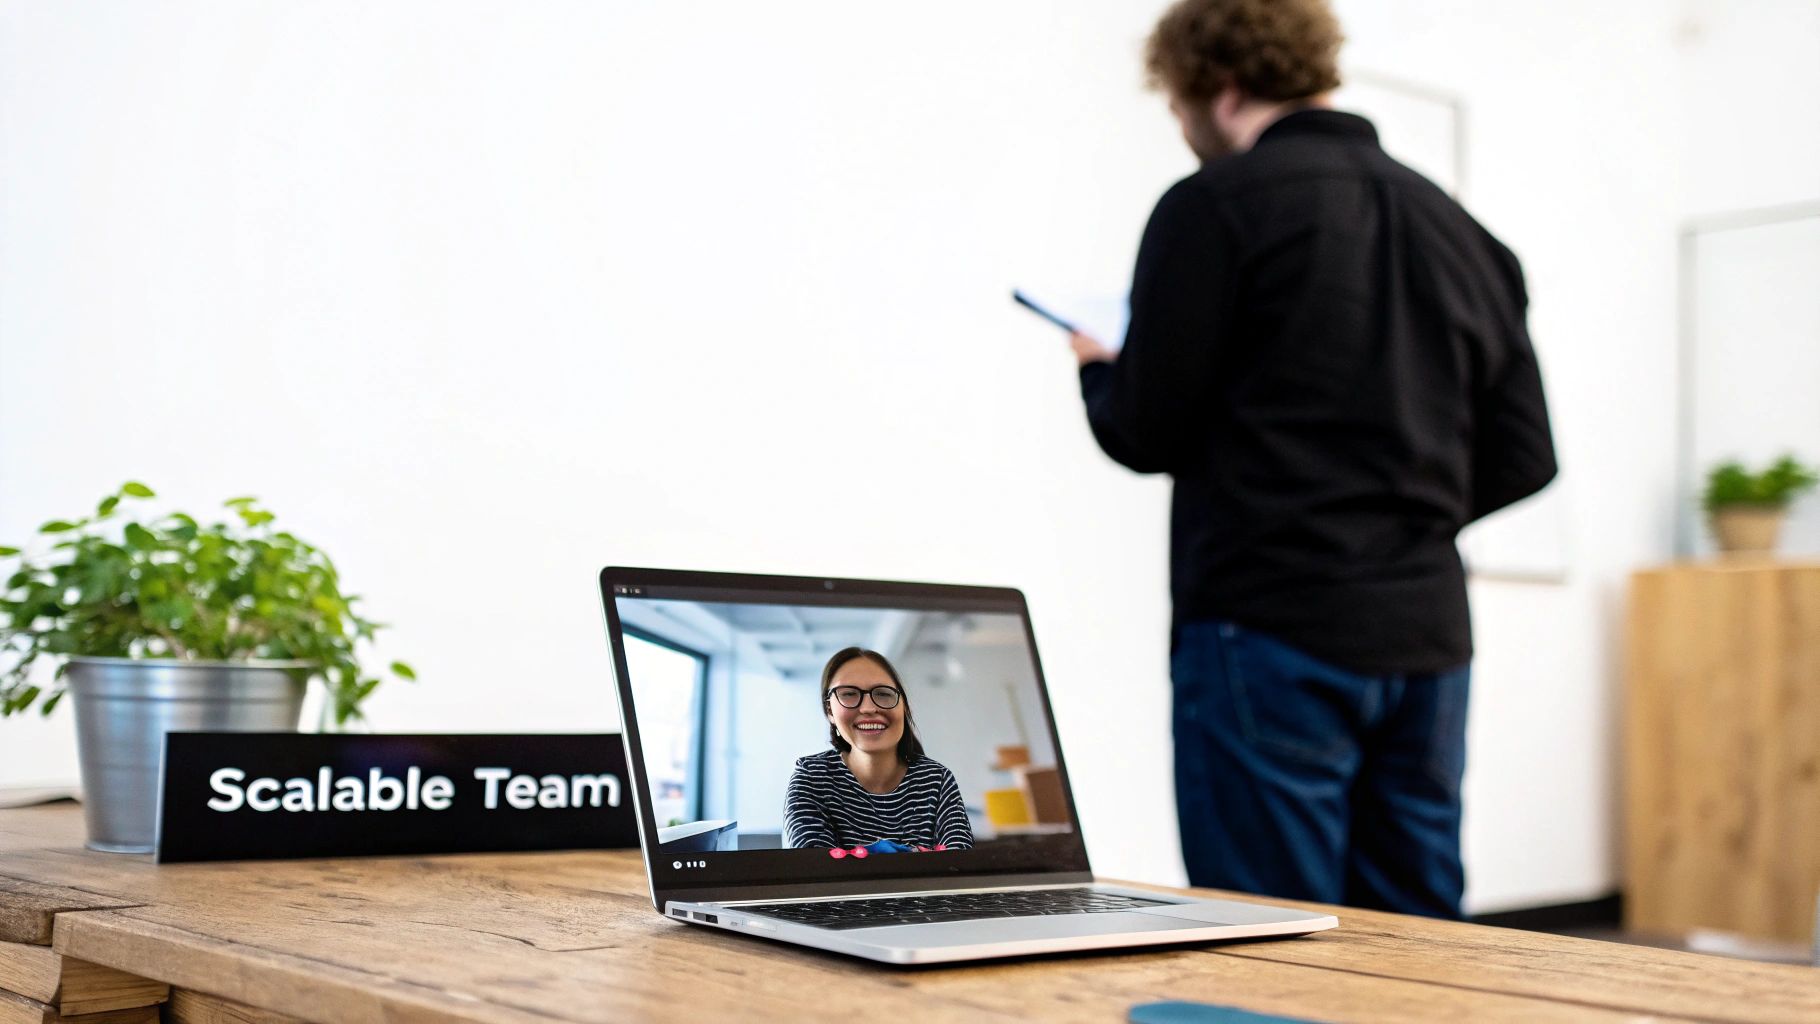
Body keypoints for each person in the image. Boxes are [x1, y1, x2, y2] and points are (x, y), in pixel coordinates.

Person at [1070, 0, 1556, 918]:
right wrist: (1398, 519)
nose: (1181, 129)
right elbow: (1526, 455)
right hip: (1426, 637)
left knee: (1271, 939)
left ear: (1219, 89)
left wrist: (1101, 369)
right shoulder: (1467, 236)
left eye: (1176, 106)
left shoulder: (1212, 207)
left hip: (1268, 625)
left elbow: (1145, 430)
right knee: (1417, 944)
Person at [783, 647, 974, 852]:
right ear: (829, 710)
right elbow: (813, 866)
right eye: (849, 694)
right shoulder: (812, 778)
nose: (868, 708)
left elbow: (960, 863)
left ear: (904, 707)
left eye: (883, 694)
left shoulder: (937, 780)